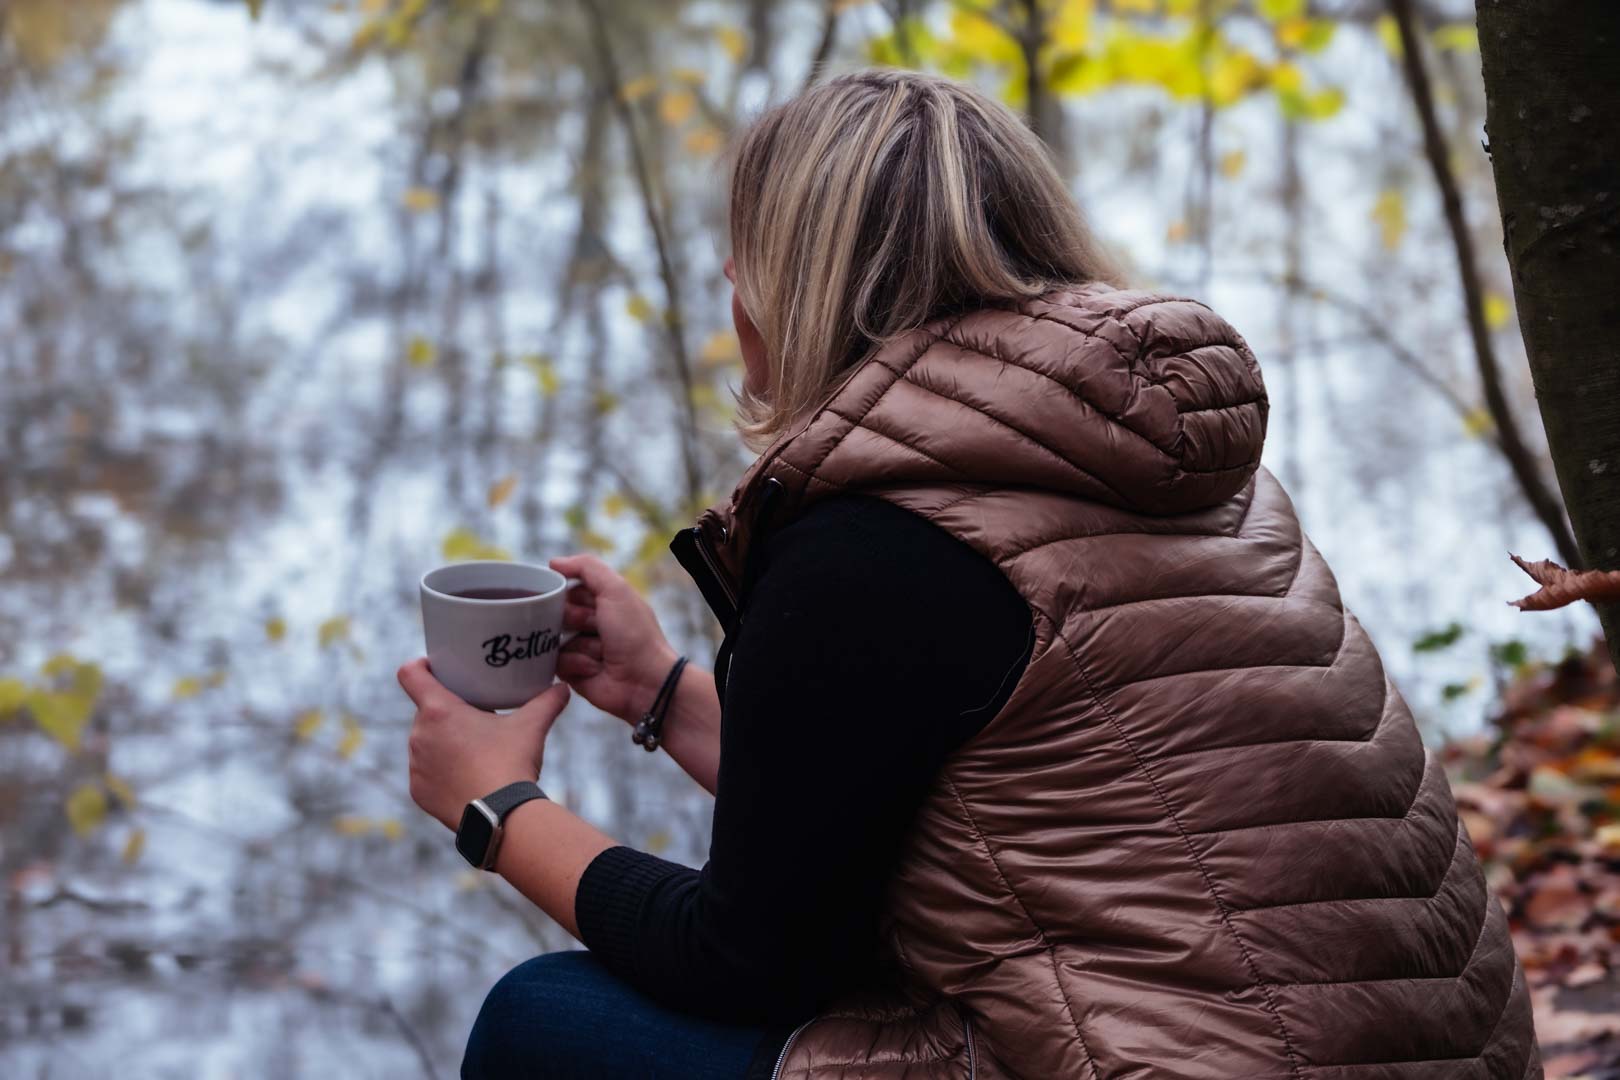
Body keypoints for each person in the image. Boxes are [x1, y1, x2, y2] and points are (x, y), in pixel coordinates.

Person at [397, 69, 1541, 1079]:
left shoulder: (871, 547)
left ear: (779, 286)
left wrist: (497, 806)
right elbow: (919, 821)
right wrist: (662, 690)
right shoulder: (1163, 474)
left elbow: (748, 960)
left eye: (740, 263)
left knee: (546, 1019)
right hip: (1424, 1051)